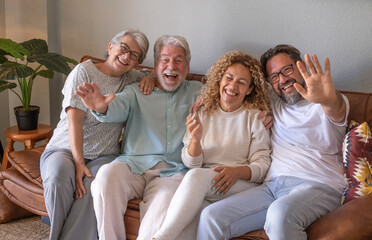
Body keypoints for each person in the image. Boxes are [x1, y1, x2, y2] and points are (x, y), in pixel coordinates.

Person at [197, 44, 349, 240]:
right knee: (211, 217)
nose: (283, 79)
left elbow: (336, 110)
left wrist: (328, 100)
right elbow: (232, 91)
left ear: (300, 66)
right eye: (275, 76)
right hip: (273, 187)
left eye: (287, 69)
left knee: (279, 214)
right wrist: (204, 99)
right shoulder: (272, 103)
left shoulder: (327, 102)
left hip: (319, 185)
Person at [75, 35, 203, 240]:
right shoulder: (136, 90)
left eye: (179, 60)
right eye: (165, 60)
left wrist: (262, 113)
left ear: (187, 66)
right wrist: (102, 106)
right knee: (104, 178)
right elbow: (118, 106)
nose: (172, 66)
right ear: (156, 65)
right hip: (133, 165)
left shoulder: (198, 92)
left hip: (173, 172)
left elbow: (227, 99)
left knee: (163, 205)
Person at [40, 28, 152, 240]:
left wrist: (152, 77)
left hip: (104, 154)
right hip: (64, 148)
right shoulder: (84, 71)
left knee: (95, 185)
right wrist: (78, 162)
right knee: (57, 177)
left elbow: (153, 73)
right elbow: (75, 121)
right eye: (124, 48)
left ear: (137, 62)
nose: (126, 56)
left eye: (134, 55)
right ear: (111, 47)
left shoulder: (132, 78)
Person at [153, 51, 272, 240]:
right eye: (229, 78)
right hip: (206, 184)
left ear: (249, 89)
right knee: (194, 214)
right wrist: (196, 139)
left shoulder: (255, 118)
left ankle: (161, 237)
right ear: (219, 80)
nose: (232, 86)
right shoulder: (203, 112)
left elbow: (263, 166)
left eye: (241, 82)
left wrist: (236, 172)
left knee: (196, 177)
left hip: (241, 184)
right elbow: (191, 163)